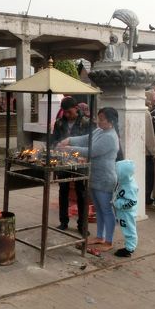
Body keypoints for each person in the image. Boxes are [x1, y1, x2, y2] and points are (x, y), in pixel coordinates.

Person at [59, 107, 121, 253]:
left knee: (106, 210)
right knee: (99, 209)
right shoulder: (100, 131)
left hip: (105, 178)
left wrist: (68, 149)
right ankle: (100, 236)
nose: (99, 122)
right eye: (98, 118)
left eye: (102, 119)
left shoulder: (110, 137)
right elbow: (86, 139)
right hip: (94, 176)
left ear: (111, 121)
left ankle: (109, 240)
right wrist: (68, 140)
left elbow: (91, 151)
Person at [52, 97, 92, 232]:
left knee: (81, 193)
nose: (67, 115)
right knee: (63, 191)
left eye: (69, 112)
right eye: (65, 112)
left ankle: (82, 224)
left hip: (80, 161)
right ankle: (63, 221)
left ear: (76, 108)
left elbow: (90, 143)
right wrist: (56, 146)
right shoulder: (59, 123)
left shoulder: (86, 122)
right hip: (63, 160)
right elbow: (53, 140)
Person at [113, 159, 139, 257]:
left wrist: (117, 203)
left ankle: (129, 249)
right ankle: (129, 246)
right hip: (123, 211)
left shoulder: (130, 186)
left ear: (123, 174)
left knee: (129, 229)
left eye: (117, 172)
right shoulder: (124, 182)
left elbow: (132, 201)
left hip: (127, 213)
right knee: (126, 228)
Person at [145, 107, 155, 206]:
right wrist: (154, 152)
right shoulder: (145, 113)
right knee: (149, 177)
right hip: (145, 152)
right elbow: (149, 135)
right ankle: (146, 198)